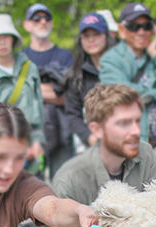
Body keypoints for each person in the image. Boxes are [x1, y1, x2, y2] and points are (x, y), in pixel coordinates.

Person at [53, 84, 156, 202]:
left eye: (138, 121)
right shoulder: (70, 180)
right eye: (124, 123)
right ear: (97, 130)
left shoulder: (145, 153)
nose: (137, 131)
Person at [100, 2, 156, 160]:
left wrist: (154, 51)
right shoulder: (111, 59)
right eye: (134, 27)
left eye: (147, 26)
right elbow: (121, 94)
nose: (142, 31)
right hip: (130, 148)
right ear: (122, 30)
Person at [0, 13, 44, 161]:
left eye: (6, 36)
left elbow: (37, 109)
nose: (2, 42)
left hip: (30, 144)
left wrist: (37, 142)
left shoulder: (29, 68)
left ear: (13, 39)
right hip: (0, 147)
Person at [22, 3, 74, 174]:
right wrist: (52, 89)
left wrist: (31, 88)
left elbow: (69, 96)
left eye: (47, 18)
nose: (42, 22)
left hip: (62, 132)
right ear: (27, 25)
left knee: (63, 186)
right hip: (28, 133)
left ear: (52, 23)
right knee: (29, 188)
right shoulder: (20, 58)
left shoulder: (65, 56)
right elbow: (16, 96)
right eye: (36, 18)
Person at [63, 13, 117, 148]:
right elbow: (72, 114)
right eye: (86, 36)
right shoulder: (76, 74)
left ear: (106, 36)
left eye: (96, 34)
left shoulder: (122, 67)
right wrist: (89, 137)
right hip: (91, 144)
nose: (91, 40)